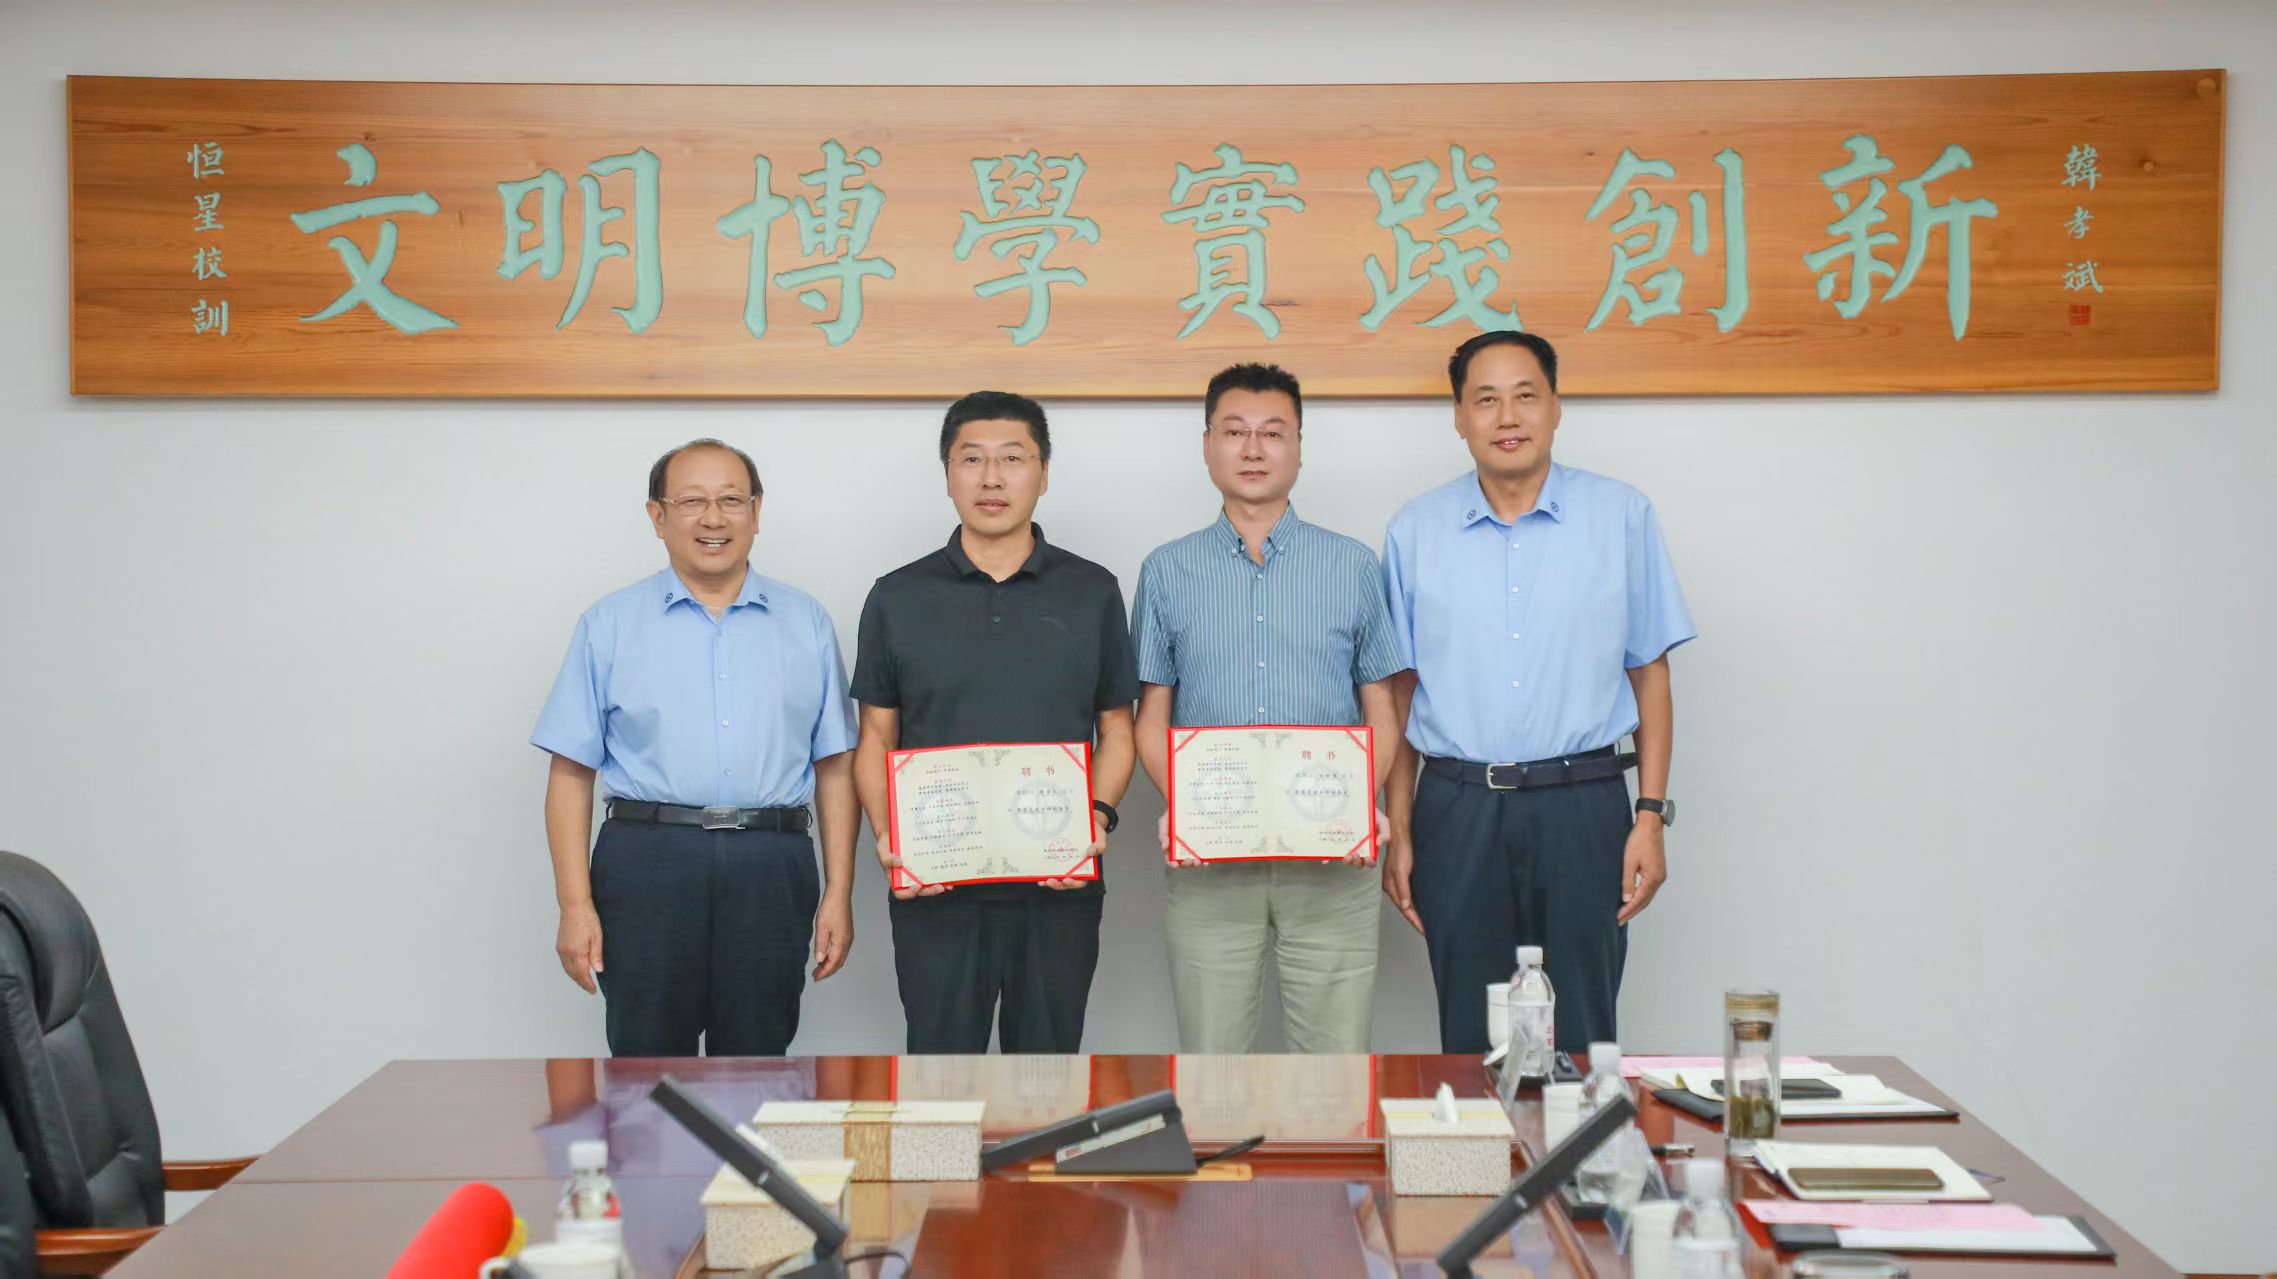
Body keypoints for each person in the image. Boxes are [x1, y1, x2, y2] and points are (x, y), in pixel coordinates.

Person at [1381, 333, 1695, 1053]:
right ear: (1458, 417)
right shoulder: (1414, 530)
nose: (1507, 416)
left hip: (1583, 804)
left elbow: (1650, 673)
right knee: (1471, 1038)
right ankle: (1477, 1137)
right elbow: (1398, 694)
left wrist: (1649, 816)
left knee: (1582, 1034)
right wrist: (1399, 827)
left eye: (1525, 395)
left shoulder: (1620, 516)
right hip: (1456, 808)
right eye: (1485, 399)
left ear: (1555, 407)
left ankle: (1580, 1136)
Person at [532, 438, 858, 1056]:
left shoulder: (807, 622)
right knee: (648, 1067)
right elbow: (570, 774)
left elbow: (836, 769)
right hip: (648, 861)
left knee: (758, 1061)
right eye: (691, 502)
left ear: (756, 512)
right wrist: (574, 906)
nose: (714, 518)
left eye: (731, 500)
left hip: (771, 863)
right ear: (658, 517)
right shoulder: (609, 623)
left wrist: (838, 893)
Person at [851, 392, 1140, 1053]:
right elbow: (876, 737)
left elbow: (1117, 730)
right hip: (937, 882)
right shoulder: (897, 595)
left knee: (1046, 1073)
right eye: (971, 459)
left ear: (1043, 473)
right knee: (940, 1072)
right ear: (947, 473)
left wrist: (1095, 818)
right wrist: (890, 834)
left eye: (1012, 458)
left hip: (1058, 882)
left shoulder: (1092, 590)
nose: (991, 478)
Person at [1131, 363, 1407, 1052]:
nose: (1253, 449)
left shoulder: (1352, 565)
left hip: (1333, 862)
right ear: (1207, 445)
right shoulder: (1166, 570)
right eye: (1234, 432)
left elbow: (1380, 708)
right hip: (1211, 862)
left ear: (1298, 448)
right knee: (1212, 1063)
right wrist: (1188, 805)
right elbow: (1151, 716)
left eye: (1273, 433)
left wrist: (1355, 800)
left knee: (1334, 1066)